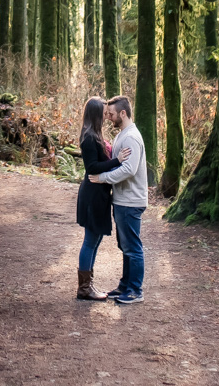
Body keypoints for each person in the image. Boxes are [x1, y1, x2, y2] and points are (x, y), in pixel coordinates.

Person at [88, 95, 146, 304]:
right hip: (122, 199)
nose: (109, 118)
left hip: (131, 201)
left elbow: (129, 169)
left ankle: (135, 290)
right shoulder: (123, 134)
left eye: (111, 114)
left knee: (132, 247)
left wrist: (102, 178)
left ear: (123, 113)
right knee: (126, 246)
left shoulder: (131, 137)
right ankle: (125, 285)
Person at [75, 97, 131, 300]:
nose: (107, 116)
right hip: (92, 194)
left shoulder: (95, 135)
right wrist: (117, 161)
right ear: (96, 114)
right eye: (104, 113)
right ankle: (84, 289)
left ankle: (88, 286)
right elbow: (92, 168)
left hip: (99, 194)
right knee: (90, 241)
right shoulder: (89, 137)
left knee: (95, 239)